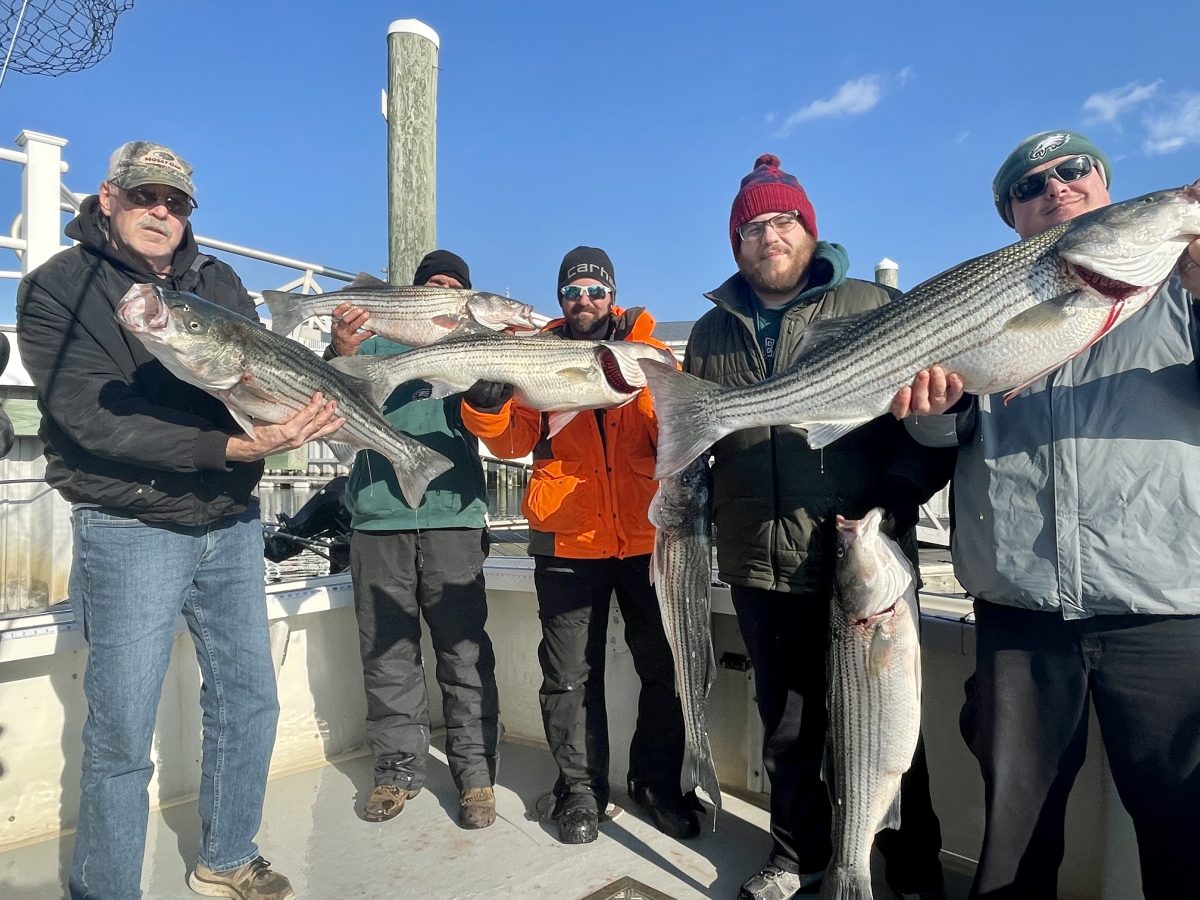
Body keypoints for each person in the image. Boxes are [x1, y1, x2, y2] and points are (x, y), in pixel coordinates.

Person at [16, 142, 344, 900]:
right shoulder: (57, 289)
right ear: (108, 198)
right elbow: (87, 418)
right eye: (145, 197)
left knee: (247, 696)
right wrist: (234, 444)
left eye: (178, 201)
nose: (162, 211)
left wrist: (328, 365)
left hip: (228, 517)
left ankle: (228, 855)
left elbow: (256, 377)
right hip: (129, 524)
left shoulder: (217, 281)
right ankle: (106, 889)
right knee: (123, 728)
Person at [892, 130, 1200, 899]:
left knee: (1186, 828)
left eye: (1074, 171)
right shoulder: (984, 302)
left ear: (1105, 189)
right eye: (1031, 187)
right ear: (1013, 217)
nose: (1056, 187)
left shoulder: (1182, 291)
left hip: (1164, 613)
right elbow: (943, 434)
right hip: (1021, 614)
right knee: (1016, 839)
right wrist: (926, 412)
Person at [684, 154, 953, 900]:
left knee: (894, 730)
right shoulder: (709, 331)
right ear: (735, 243)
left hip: (858, 558)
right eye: (752, 227)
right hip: (759, 561)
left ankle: (911, 869)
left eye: (782, 221)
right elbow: (694, 446)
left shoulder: (871, 301)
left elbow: (919, 431)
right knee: (789, 728)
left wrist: (892, 507)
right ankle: (795, 857)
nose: (768, 236)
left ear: (809, 229)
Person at [460, 246, 699, 845]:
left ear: (612, 295)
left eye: (595, 290)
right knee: (568, 675)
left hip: (648, 536)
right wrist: (484, 409)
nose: (584, 300)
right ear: (560, 299)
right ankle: (580, 790)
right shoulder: (532, 353)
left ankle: (657, 783)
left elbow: (677, 432)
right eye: (573, 291)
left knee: (665, 669)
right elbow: (514, 439)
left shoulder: (653, 353)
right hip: (566, 537)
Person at [326, 249, 500, 829]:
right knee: (388, 652)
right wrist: (341, 351)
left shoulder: (478, 349)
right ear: (411, 296)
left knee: (465, 651)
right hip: (378, 517)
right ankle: (396, 771)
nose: (443, 293)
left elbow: (498, 411)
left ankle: (475, 774)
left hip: (454, 514)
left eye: (455, 286)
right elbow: (324, 399)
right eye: (432, 286)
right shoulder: (369, 344)